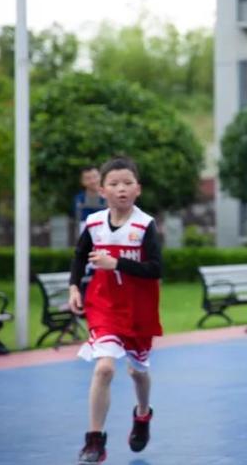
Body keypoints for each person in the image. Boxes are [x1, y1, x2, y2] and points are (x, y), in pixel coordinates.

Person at [68, 157, 163, 463]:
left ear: (138, 189)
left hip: (138, 310)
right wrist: (74, 287)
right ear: (102, 190)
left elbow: (156, 269)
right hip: (104, 305)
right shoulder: (94, 223)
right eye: (114, 183)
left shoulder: (145, 225)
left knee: (137, 371)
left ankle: (143, 413)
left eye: (127, 183)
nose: (121, 188)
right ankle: (94, 441)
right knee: (105, 368)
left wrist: (117, 263)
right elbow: (80, 255)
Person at [73, 166, 107, 234]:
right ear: (82, 181)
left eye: (95, 177)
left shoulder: (109, 196)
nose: (93, 181)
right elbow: (82, 222)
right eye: (88, 178)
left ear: (101, 177)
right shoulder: (79, 199)